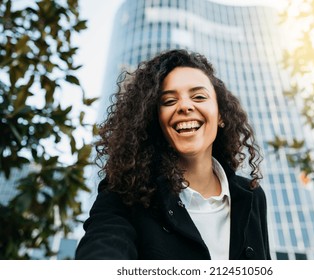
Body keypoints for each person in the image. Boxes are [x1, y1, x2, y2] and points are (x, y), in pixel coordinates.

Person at [75, 49, 271, 260]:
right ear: (156, 121)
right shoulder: (126, 191)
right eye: (169, 101)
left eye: (198, 96)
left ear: (221, 114)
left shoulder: (252, 195)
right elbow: (103, 248)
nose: (185, 106)